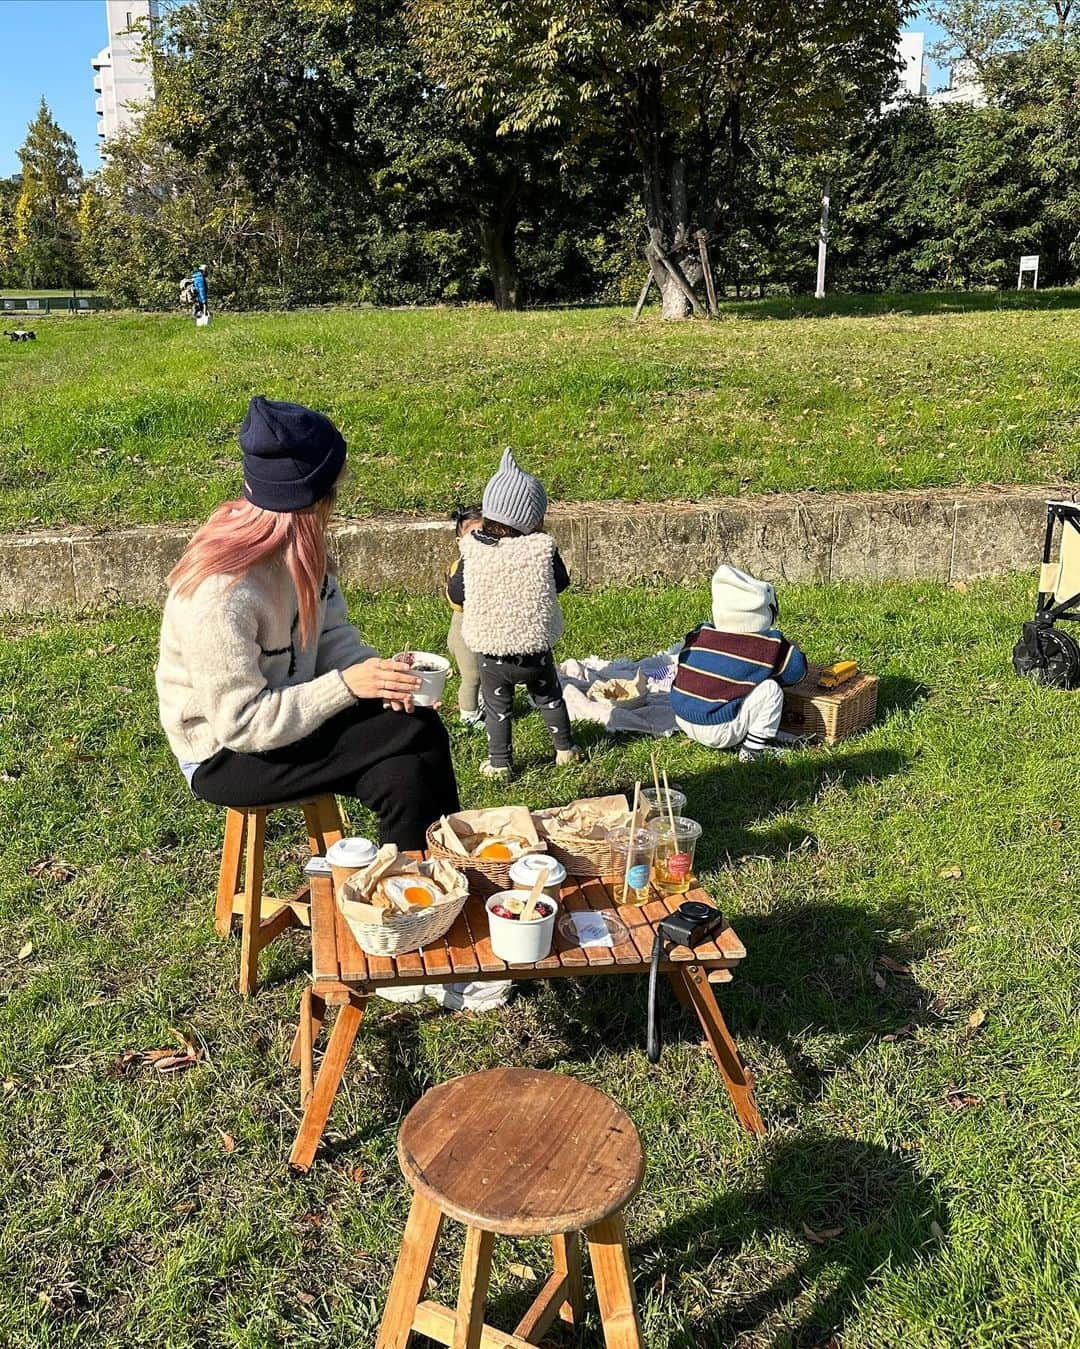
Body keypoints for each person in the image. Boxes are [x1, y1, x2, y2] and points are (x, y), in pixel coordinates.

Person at [156, 395, 460, 850]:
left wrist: (381, 678)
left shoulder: (304, 553)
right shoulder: (221, 596)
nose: (336, 504)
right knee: (416, 732)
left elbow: (332, 638)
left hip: (287, 719)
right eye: (333, 492)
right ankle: (441, 882)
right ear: (312, 500)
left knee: (405, 768)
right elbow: (239, 723)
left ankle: (413, 899)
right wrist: (350, 686)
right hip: (225, 754)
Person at [447, 448, 581, 778]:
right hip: (536, 652)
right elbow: (561, 583)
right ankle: (565, 749)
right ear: (534, 519)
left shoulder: (473, 551)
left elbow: (456, 594)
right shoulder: (542, 549)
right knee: (550, 698)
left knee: (498, 710)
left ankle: (501, 763)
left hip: (493, 655)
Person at [670, 565, 807, 761]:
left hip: (682, 717)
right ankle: (752, 751)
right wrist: (792, 648)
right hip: (719, 729)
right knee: (771, 689)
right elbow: (797, 672)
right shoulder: (767, 646)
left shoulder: (700, 634)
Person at [444, 505, 485, 728]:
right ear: (461, 543)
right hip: (463, 634)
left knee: (487, 672)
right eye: (474, 535)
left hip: (483, 631)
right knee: (472, 676)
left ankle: (481, 701)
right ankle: (468, 715)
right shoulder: (459, 566)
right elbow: (454, 601)